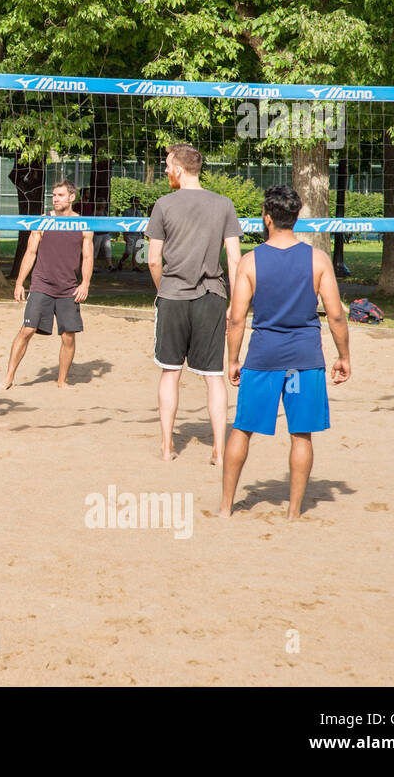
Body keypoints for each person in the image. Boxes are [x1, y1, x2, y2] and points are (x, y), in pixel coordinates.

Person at [220, 185, 351, 519]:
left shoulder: (250, 261)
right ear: (296, 218)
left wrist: (233, 359)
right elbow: (336, 314)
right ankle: (293, 513)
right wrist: (344, 355)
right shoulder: (317, 259)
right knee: (301, 433)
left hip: (263, 356)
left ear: (267, 218)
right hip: (304, 358)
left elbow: (236, 319)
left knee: (242, 428)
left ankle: (225, 508)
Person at [146, 144, 242, 463]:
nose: (164, 170)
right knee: (213, 376)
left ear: (180, 169)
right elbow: (234, 258)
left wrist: (164, 291)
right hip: (211, 297)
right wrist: (235, 303)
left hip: (173, 296)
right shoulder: (224, 204)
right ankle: (217, 450)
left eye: (167, 165)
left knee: (170, 373)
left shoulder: (163, 205)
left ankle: (166, 447)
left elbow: (153, 261)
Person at [4, 179, 93, 389]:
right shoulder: (43, 220)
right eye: (53, 195)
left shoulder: (84, 224)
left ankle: (61, 381)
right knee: (27, 329)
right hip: (41, 284)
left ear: (72, 197)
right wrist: (19, 283)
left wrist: (85, 283)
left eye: (60, 195)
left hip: (68, 287)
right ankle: (9, 376)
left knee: (68, 337)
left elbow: (88, 257)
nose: (55, 199)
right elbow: (30, 252)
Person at [114, 196, 144, 272]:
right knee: (128, 251)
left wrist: (143, 235)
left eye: (138, 201)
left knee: (136, 251)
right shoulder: (127, 212)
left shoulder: (140, 212)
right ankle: (121, 261)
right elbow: (124, 223)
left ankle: (135, 266)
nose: (138, 203)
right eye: (136, 201)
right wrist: (124, 234)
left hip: (138, 234)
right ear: (132, 202)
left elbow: (142, 224)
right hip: (130, 234)